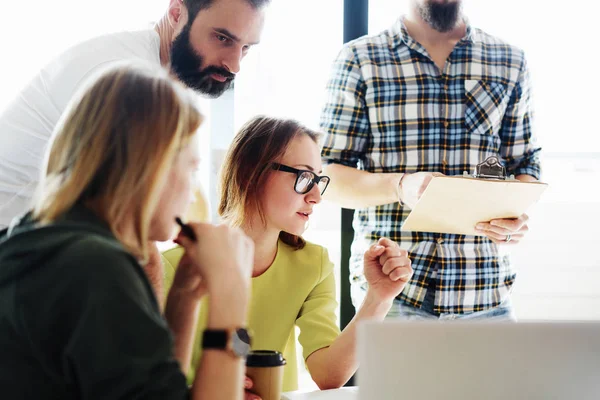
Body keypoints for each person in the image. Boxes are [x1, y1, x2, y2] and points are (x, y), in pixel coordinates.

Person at [0, 64, 255, 399]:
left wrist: (183, 299)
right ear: (153, 166)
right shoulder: (96, 268)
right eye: (192, 168)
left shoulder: (35, 238)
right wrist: (232, 295)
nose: (193, 192)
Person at [320, 0, 541, 320]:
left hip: (486, 294)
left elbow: (526, 166)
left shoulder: (510, 61)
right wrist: (400, 186)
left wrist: (514, 216)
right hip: (391, 296)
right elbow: (327, 177)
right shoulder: (359, 59)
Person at [163, 116, 414, 393]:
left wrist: (379, 297)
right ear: (250, 173)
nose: (317, 196)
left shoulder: (313, 264)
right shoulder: (173, 267)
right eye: (305, 177)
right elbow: (158, 382)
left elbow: (328, 374)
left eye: (319, 180)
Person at [0, 0, 269, 229]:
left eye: (246, 48)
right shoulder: (125, 78)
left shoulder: (158, 77)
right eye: (223, 38)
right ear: (177, 13)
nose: (234, 65)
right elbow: (123, 221)